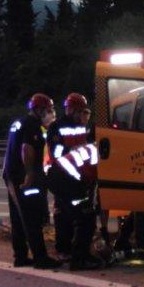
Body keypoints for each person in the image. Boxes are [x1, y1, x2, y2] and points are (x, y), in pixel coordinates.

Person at [2, 93, 62, 269]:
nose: (50, 113)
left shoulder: (19, 122)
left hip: (13, 175)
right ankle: (40, 258)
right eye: (48, 110)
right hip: (22, 177)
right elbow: (27, 148)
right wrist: (29, 174)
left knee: (18, 218)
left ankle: (20, 257)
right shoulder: (32, 125)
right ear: (38, 110)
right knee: (31, 218)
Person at [46, 93, 100, 270]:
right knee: (70, 214)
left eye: (84, 112)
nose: (82, 115)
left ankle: (75, 253)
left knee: (80, 214)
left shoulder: (84, 126)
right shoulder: (57, 127)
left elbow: (89, 146)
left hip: (76, 175)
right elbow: (56, 153)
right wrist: (73, 150)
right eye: (79, 111)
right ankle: (68, 252)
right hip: (63, 175)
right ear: (71, 110)